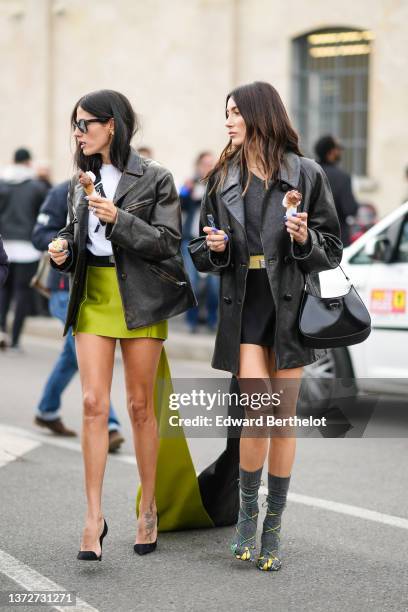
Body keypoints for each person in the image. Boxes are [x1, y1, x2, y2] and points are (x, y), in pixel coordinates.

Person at [189, 81, 342, 571]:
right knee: (257, 413)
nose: (229, 120)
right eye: (226, 112)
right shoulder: (222, 177)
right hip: (245, 306)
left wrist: (303, 238)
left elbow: (331, 247)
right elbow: (201, 248)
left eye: (235, 112)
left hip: (290, 305)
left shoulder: (307, 173)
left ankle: (273, 526)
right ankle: (246, 517)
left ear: (259, 115)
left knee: (281, 420)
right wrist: (214, 249)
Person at [48, 89, 196, 560]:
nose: (78, 132)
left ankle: (148, 508)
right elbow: (78, 240)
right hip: (94, 298)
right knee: (93, 403)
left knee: (138, 407)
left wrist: (120, 220)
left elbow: (169, 243)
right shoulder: (79, 181)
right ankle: (93, 518)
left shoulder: (156, 178)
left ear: (111, 124)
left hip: (142, 301)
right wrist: (63, 250)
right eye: (74, 124)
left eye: (84, 123)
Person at [32, 181, 124, 450]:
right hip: (66, 291)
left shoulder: (120, 189)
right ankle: (109, 424)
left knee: (71, 356)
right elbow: (40, 234)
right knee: (86, 356)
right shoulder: (64, 191)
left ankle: (46, 410)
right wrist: (62, 242)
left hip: (102, 291)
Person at [0, 148, 48, 350]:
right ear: (28, 162)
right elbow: (42, 216)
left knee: (3, 291)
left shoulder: (2, 184)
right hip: (28, 247)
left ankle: (1, 331)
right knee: (22, 293)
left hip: (5, 244)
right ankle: (16, 340)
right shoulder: (37, 187)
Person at [180, 152, 219, 332]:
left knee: (214, 286)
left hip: (212, 242)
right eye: (204, 163)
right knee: (192, 283)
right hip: (190, 240)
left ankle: (213, 321)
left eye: (211, 163)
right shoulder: (190, 184)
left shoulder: (220, 185)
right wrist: (188, 191)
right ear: (198, 165)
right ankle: (192, 321)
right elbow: (180, 202)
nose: (207, 167)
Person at [314, 135, 358, 247]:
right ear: (331, 152)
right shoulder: (342, 177)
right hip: (336, 241)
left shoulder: (308, 173)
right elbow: (350, 209)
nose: (340, 152)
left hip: (312, 239)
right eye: (338, 149)